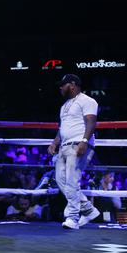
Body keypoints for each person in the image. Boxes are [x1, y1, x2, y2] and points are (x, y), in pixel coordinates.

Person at [48, 74, 100, 230]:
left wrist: (84, 141)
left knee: (71, 180)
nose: (60, 88)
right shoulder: (64, 106)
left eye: (62, 85)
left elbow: (91, 121)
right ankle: (89, 210)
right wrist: (54, 142)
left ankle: (72, 218)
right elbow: (62, 128)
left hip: (78, 144)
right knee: (60, 180)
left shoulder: (88, 101)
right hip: (64, 146)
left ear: (72, 84)